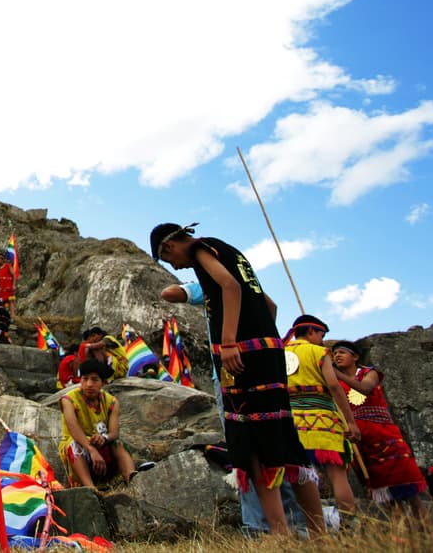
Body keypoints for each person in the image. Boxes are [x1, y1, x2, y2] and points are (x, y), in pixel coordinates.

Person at [151, 222, 325, 537]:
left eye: (169, 259)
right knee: (284, 439)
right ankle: (318, 532)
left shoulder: (201, 249)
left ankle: (278, 533)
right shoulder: (232, 253)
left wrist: (230, 341)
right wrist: (261, 336)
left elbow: (230, 286)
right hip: (268, 351)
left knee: (251, 443)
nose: (175, 266)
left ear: (169, 245)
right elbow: (270, 305)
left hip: (242, 357)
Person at [162, 279, 307, 535]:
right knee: (278, 446)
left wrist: (201, 282)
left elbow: (170, 293)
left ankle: (259, 525)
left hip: (231, 374)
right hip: (265, 369)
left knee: (246, 451)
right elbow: (271, 307)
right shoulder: (248, 284)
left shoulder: (216, 282)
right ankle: (296, 522)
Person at [330, 339, 427, 516]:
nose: (337, 356)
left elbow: (365, 388)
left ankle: (425, 528)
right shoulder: (336, 384)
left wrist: (336, 374)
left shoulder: (369, 373)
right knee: (384, 494)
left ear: (355, 357)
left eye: (342, 352)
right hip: (362, 441)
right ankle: (400, 529)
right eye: (335, 353)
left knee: (408, 488)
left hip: (385, 436)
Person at [285, 315, 360, 520]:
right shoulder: (319, 352)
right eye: (321, 335)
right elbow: (334, 385)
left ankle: (311, 525)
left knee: (302, 477)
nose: (322, 340)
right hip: (324, 421)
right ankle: (349, 523)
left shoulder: (280, 351)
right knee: (337, 475)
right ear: (311, 331)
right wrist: (350, 421)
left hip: (292, 424)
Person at [59, 360, 137, 487]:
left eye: (95, 380)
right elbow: (73, 428)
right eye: (85, 379)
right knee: (73, 445)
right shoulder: (68, 400)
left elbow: (114, 432)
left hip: (100, 444)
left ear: (103, 383)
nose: (89, 384)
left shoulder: (111, 402)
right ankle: (90, 488)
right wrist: (91, 449)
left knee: (117, 443)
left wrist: (104, 438)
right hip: (80, 445)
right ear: (80, 380)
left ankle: (131, 478)